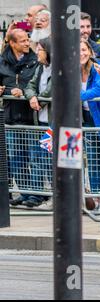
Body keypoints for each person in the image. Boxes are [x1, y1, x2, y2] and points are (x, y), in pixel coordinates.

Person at [0, 29, 38, 207]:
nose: (26, 42)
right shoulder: (2, 61)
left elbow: (35, 84)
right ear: (12, 43)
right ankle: (25, 192)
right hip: (11, 116)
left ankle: (37, 194)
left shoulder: (35, 60)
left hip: (32, 117)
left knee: (35, 156)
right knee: (16, 158)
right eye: (22, 40)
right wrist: (5, 91)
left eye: (27, 39)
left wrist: (23, 92)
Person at [80, 39, 100, 208]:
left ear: (90, 51)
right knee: (92, 160)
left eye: (84, 50)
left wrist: (74, 94)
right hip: (85, 118)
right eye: (78, 51)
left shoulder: (98, 66)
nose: (82, 54)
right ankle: (96, 196)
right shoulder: (72, 69)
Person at [24, 37, 53, 209]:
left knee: (49, 160)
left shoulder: (59, 69)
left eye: (40, 49)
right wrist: (32, 96)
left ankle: (52, 196)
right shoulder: (40, 68)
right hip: (39, 121)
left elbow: (52, 89)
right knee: (37, 159)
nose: (36, 52)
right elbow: (30, 86)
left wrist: (39, 100)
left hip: (52, 122)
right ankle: (38, 195)